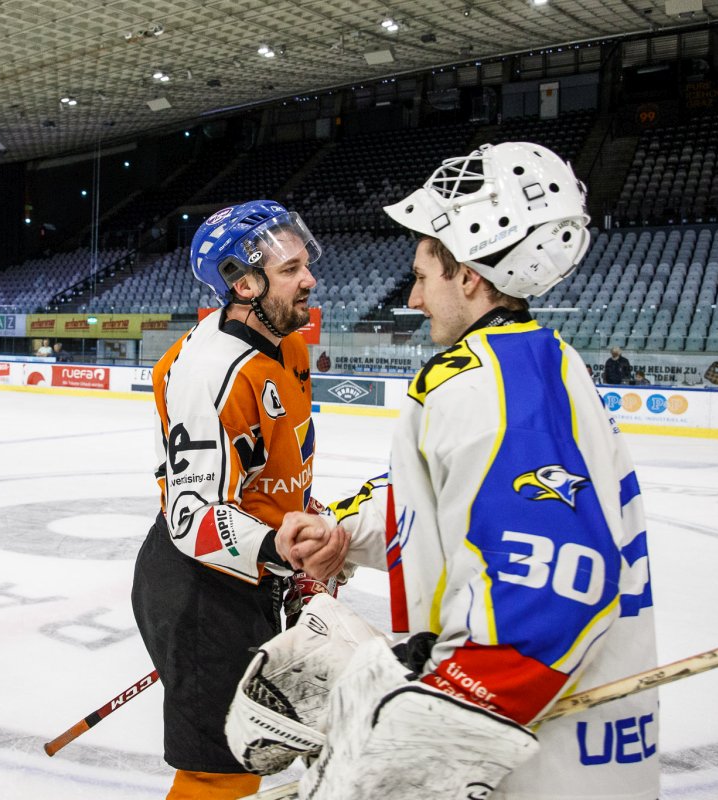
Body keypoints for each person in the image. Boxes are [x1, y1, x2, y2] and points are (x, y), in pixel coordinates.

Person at [227, 144, 659, 799]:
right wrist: (340, 530)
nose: (414, 296)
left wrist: (418, 742)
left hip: (532, 772)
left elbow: (556, 584)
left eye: (424, 274)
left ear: (471, 277)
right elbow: (447, 508)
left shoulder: (487, 386)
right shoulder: (533, 364)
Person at [131, 200, 348, 800]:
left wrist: (302, 533)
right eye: (290, 270)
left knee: (258, 756)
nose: (309, 279)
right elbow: (191, 517)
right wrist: (280, 546)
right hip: (202, 586)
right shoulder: (210, 372)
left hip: (255, 570)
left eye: (305, 264)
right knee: (219, 774)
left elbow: (278, 470)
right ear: (244, 284)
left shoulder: (290, 343)